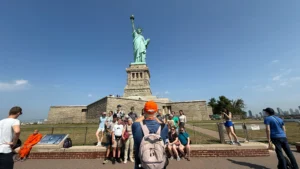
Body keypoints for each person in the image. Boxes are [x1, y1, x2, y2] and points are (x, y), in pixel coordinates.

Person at [132, 101, 169, 169]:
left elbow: (135, 122)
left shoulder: (136, 126)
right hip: (159, 165)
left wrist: (145, 115)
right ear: (156, 111)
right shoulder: (164, 127)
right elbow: (162, 124)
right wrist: (154, 116)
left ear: (144, 111)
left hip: (141, 165)